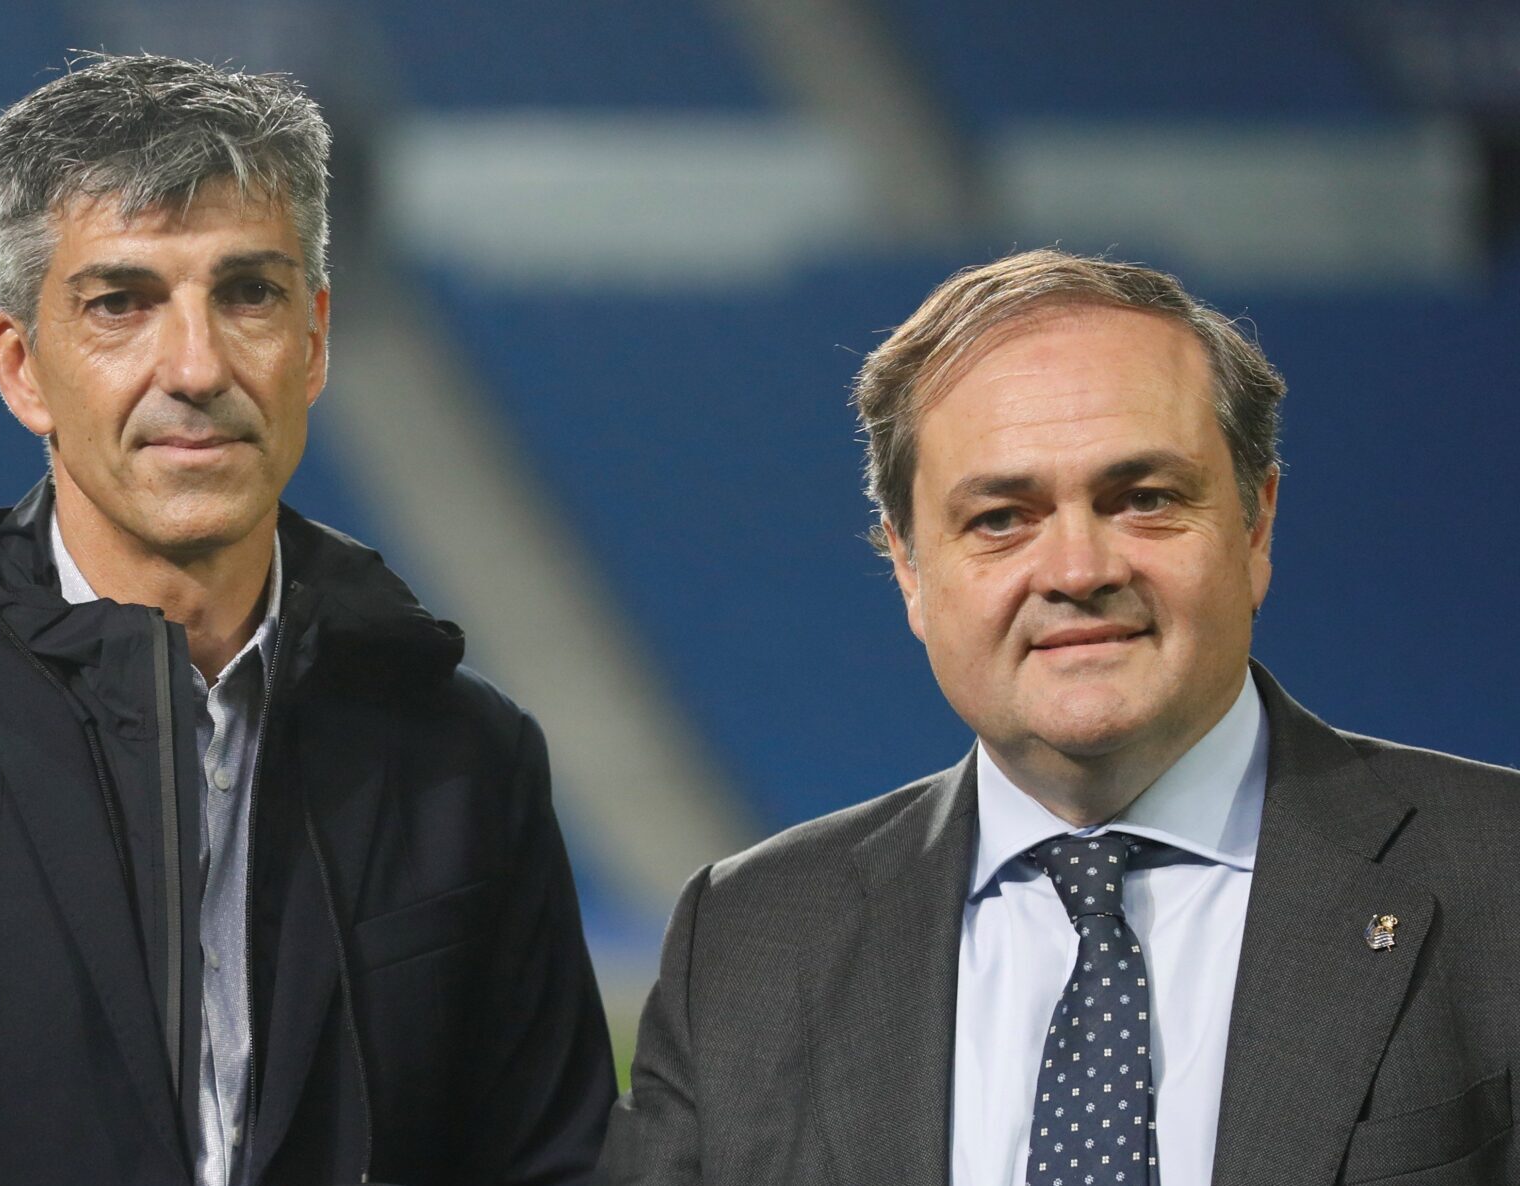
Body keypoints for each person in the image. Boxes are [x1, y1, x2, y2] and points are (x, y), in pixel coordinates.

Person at [0, 53, 614, 1186]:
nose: (194, 365)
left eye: (248, 294)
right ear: (20, 367)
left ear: (315, 341)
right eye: (119, 303)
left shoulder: (468, 757)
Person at [598, 248, 1520, 1185]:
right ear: (910, 568)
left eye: (1145, 500)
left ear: (1255, 527)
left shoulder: (1502, 881)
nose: (1078, 571)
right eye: (1001, 517)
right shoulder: (750, 935)